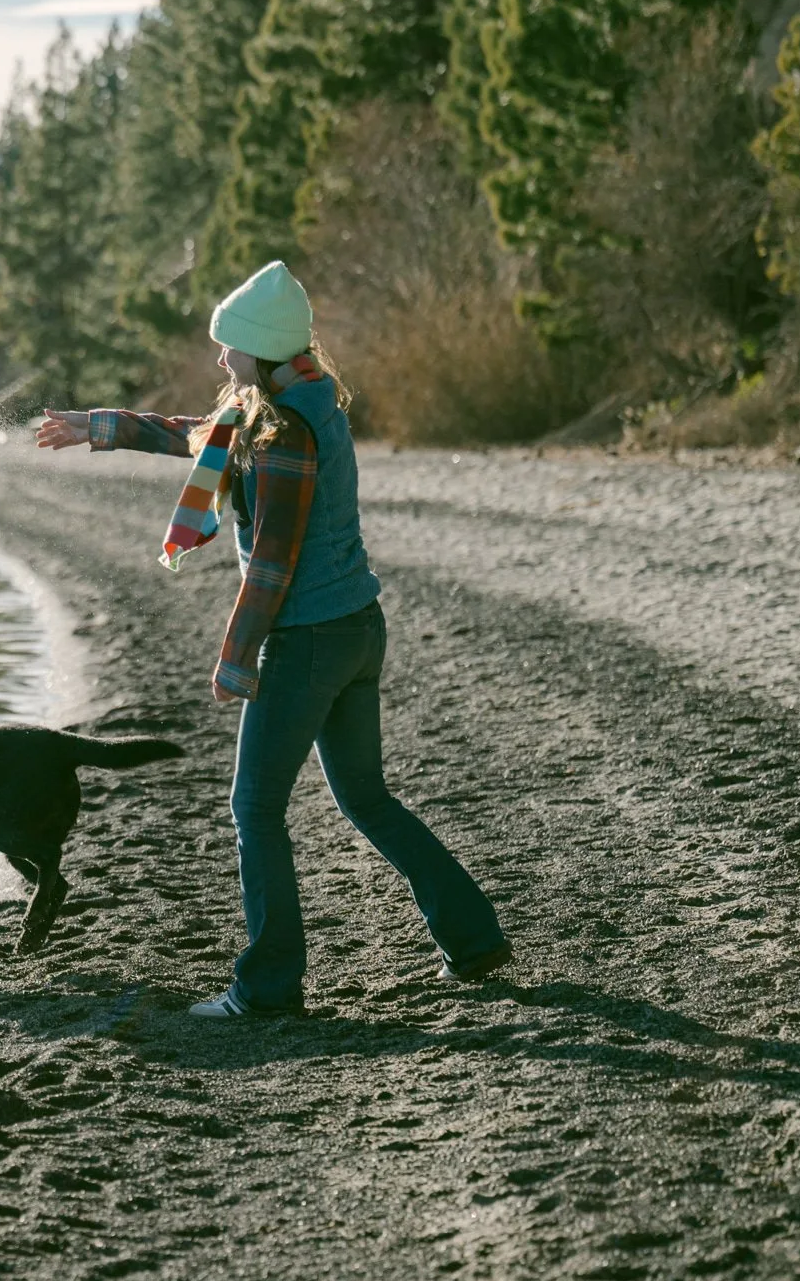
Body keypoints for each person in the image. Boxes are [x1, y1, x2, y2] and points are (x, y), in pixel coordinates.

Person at [34, 261, 510, 1016]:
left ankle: (267, 987)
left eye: (230, 346)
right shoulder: (295, 399)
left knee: (254, 809)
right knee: (367, 799)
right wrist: (101, 425)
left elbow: (274, 566)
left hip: (311, 639)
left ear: (259, 349)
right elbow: (197, 436)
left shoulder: (283, 433)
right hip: (357, 626)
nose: (220, 357)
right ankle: (474, 938)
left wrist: (236, 656)